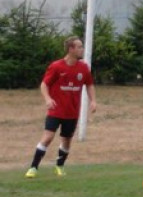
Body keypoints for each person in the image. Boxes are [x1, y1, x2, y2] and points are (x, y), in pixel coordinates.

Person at [25, 36, 97, 178]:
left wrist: (93, 100)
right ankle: (33, 167)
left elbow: (89, 84)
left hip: (72, 112)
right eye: (79, 47)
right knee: (48, 137)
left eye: (82, 46)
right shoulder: (56, 66)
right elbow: (44, 85)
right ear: (71, 49)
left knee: (66, 141)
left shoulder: (83, 68)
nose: (82, 49)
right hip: (56, 110)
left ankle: (59, 166)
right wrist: (48, 99)